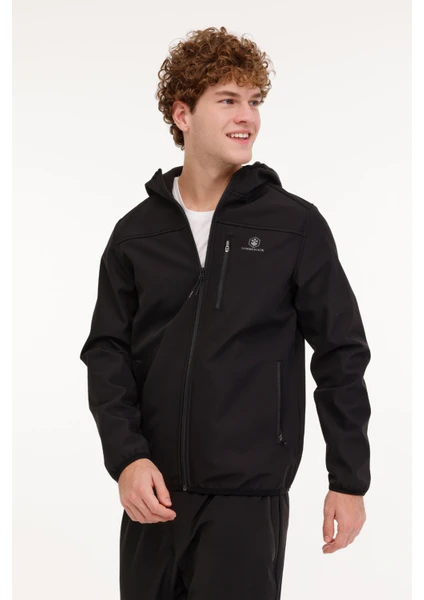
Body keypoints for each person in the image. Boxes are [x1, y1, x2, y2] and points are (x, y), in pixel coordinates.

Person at [79, 26, 371, 600]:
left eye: (254, 101)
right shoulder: (136, 234)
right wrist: (127, 459)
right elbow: (107, 353)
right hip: (152, 497)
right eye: (228, 100)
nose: (248, 117)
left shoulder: (293, 225)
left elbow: (341, 351)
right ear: (182, 114)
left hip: (247, 501)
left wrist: (349, 479)